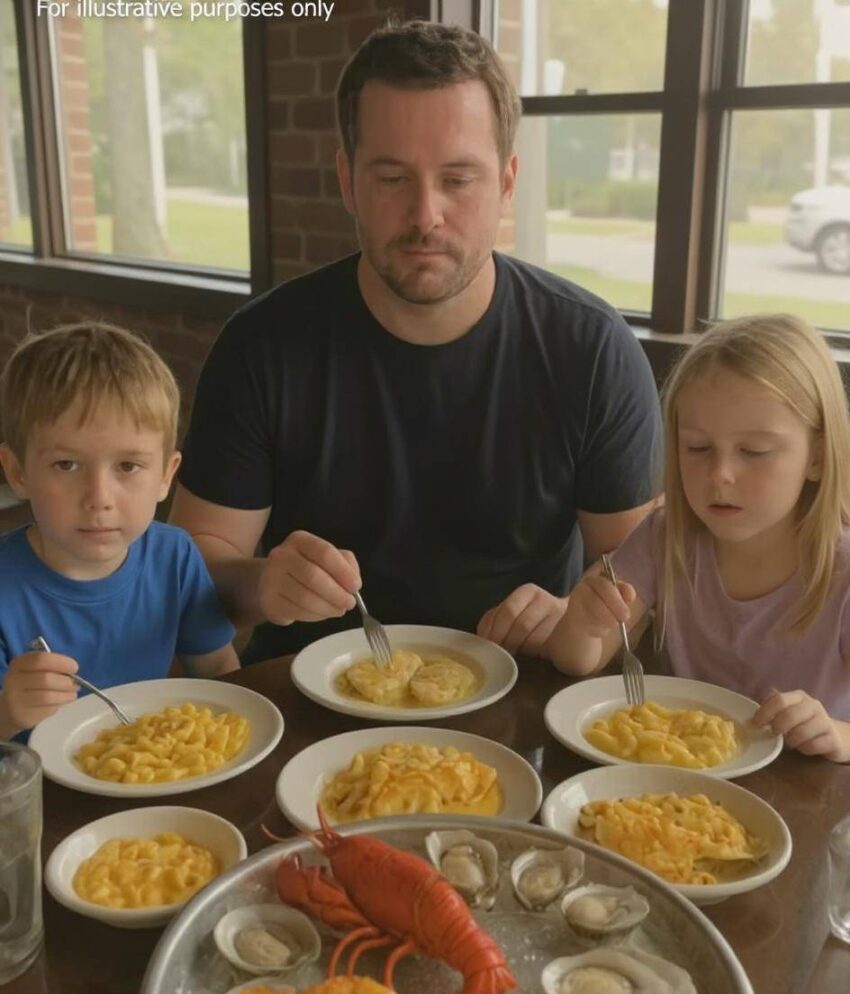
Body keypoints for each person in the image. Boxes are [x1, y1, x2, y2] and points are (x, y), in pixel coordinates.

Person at [170, 19, 661, 665]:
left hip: (524, 691)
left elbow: (640, 581)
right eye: (393, 178)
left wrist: (577, 619)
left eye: (458, 178)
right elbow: (189, 570)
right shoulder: (261, 346)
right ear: (348, 181)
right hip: (306, 700)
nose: (426, 215)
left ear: (506, 182)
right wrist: (263, 583)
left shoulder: (592, 350)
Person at [548, 313, 850, 762]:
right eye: (697, 447)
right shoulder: (665, 537)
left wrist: (839, 735)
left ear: (818, 458)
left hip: (803, 792)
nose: (720, 474)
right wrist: (582, 623)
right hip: (675, 786)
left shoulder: (842, 574)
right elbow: (578, 660)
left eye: (754, 452)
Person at [0, 323, 239, 740]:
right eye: (66, 465)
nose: (99, 498)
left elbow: (218, 670)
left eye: (128, 466)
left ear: (166, 476)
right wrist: (9, 711)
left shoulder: (174, 557)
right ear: (18, 472)